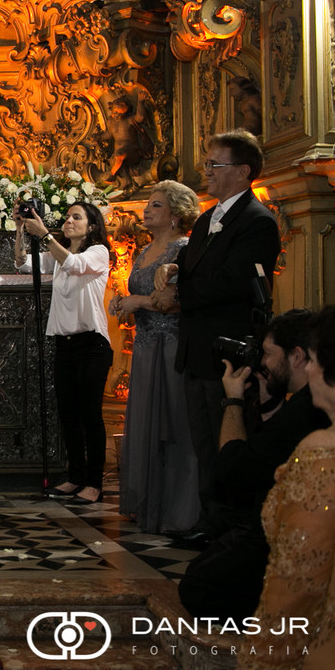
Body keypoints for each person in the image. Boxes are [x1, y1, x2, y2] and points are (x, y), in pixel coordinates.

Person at [154, 129, 281, 541]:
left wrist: (178, 292)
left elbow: (232, 282)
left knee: (230, 442)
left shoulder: (257, 222)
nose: (206, 171)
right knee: (204, 443)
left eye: (215, 164)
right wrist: (175, 268)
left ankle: (233, 527)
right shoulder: (210, 215)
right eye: (207, 163)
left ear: (243, 171)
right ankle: (210, 522)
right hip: (197, 348)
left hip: (227, 352)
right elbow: (196, 265)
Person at [179, 308, 327, 620]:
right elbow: (269, 454)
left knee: (199, 584)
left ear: (297, 356)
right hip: (285, 524)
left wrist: (233, 400)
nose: (262, 363)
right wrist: (268, 402)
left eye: (270, 354)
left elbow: (233, 469)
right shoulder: (303, 401)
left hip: (290, 537)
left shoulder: (309, 406)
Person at [234, 302, 335, 670]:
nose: (310, 369)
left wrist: (257, 665)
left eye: (314, 360)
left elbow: (297, 583)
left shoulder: (325, 453)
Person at [110, 180, 201, 532]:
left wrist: (139, 302)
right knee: (147, 420)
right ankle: (148, 500)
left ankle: (178, 509)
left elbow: (182, 302)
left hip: (172, 346)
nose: (146, 210)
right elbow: (141, 296)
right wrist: (125, 304)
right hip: (147, 345)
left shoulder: (185, 249)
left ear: (177, 214)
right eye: (147, 205)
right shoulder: (143, 251)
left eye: (156, 205)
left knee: (172, 423)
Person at [16, 201, 113, 505]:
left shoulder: (97, 253)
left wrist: (44, 234)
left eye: (77, 217)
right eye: (68, 217)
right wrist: (20, 229)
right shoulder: (58, 256)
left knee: (90, 415)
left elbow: (74, 264)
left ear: (92, 225)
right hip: (65, 343)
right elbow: (23, 264)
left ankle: (95, 483)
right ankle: (76, 476)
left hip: (92, 344)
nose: (69, 221)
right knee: (68, 415)